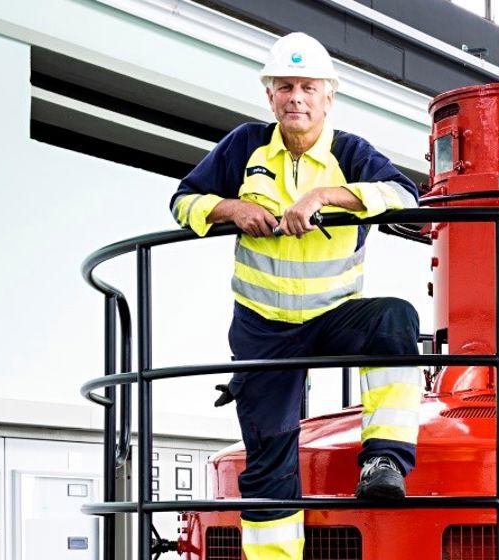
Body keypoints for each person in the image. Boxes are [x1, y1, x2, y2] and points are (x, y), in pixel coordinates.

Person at [166, 32, 425, 560]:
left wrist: (327, 196)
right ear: (270, 96)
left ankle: (385, 462)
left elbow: (405, 196)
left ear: (328, 97)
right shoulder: (244, 146)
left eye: (308, 87)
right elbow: (182, 201)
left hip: (333, 316)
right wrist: (232, 210)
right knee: (267, 464)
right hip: (264, 327)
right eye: (285, 86)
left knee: (395, 318)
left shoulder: (350, 152)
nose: (296, 97)